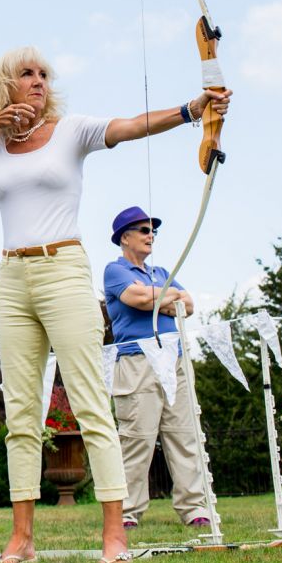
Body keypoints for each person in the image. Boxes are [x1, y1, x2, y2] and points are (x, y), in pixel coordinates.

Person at [0, 46, 230, 563]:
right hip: (12, 277)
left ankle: (114, 535)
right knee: (21, 411)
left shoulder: (71, 130)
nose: (38, 80)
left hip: (64, 269)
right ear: (6, 84)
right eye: (26, 74)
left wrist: (192, 111)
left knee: (88, 403)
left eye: (43, 74)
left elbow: (130, 126)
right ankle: (22, 538)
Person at [104, 206, 211, 530]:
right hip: (138, 361)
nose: (151, 236)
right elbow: (136, 298)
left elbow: (188, 305)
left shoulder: (162, 272)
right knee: (137, 438)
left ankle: (195, 509)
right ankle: (127, 512)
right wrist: (167, 299)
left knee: (185, 435)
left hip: (175, 360)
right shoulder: (115, 270)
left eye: (153, 231)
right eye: (143, 230)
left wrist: (162, 297)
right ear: (125, 238)